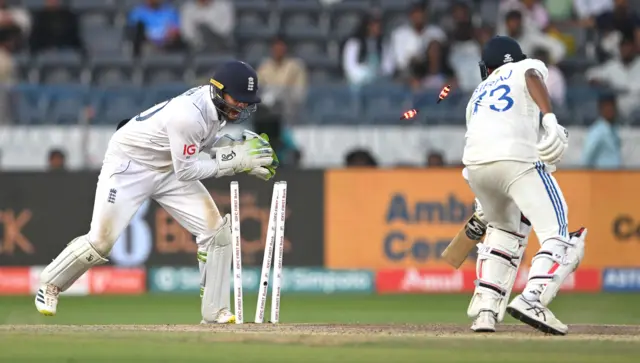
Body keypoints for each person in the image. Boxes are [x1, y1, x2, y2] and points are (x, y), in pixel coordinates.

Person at [34, 61, 279, 324]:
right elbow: (187, 171)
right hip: (130, 166)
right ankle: (50, 284)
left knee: (216, 233)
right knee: (101, 241)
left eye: (246, 102)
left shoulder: (215, 109)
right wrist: (234, 161)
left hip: (168, 167)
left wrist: (232, 148)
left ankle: (215, 311)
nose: (241, 106)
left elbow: (198, 148)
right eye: (238, 99)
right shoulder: (189, 115)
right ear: (219, 91)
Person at [462, 36, 586, 335]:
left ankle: (486, 312)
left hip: (476, 167)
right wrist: (550, 118)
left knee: (503, 231)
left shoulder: (477, 94)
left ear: (486, 67)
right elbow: (531, 76)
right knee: (562, 237)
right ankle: (532, 299)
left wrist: (483, 201)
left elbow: (479, 141)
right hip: (517, 160)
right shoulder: (525, 67)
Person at [582, 94, 621, 169]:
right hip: (601, 176)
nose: (610, 110)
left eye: (612, 107)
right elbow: (586, 158)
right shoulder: (597, 131)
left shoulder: (614, 129)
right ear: (600, 109)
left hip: (615, 176)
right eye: (607, 107)